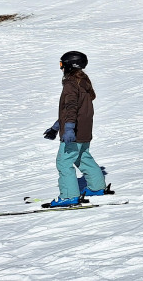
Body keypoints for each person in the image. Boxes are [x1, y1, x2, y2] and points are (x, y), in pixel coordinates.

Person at [41, 51, 109, 207]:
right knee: (83, 157)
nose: (61, 68)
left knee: (64, 163)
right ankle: (97, 187)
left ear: (70, 65)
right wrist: (56, 127)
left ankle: (69, 196)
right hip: (84, 130)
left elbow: (71, 107)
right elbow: (75, 110)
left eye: (62, 64)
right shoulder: (83, 82)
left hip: (74, 132)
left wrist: (69, 128)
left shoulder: (71, 83)